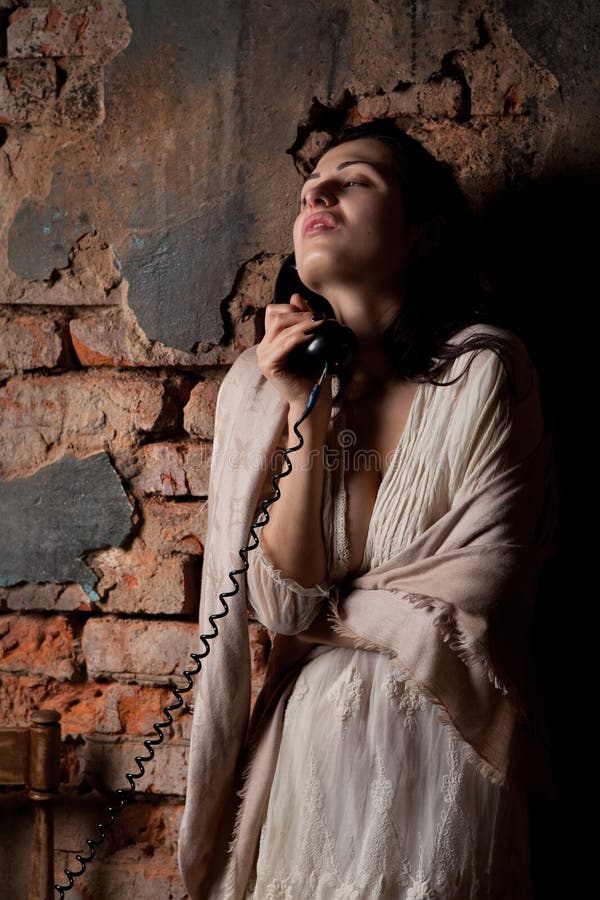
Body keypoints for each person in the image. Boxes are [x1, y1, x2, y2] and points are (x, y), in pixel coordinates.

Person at [178, 120, 558, 900]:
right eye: (310, 185)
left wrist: (327, 613)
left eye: (354, 180)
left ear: (422, 235)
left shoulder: (486, 371)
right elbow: (285, 604)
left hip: (443, 746)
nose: (317, 191)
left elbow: (482, 592)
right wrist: (307, 416)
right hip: (306, 762)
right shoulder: (257, 394)